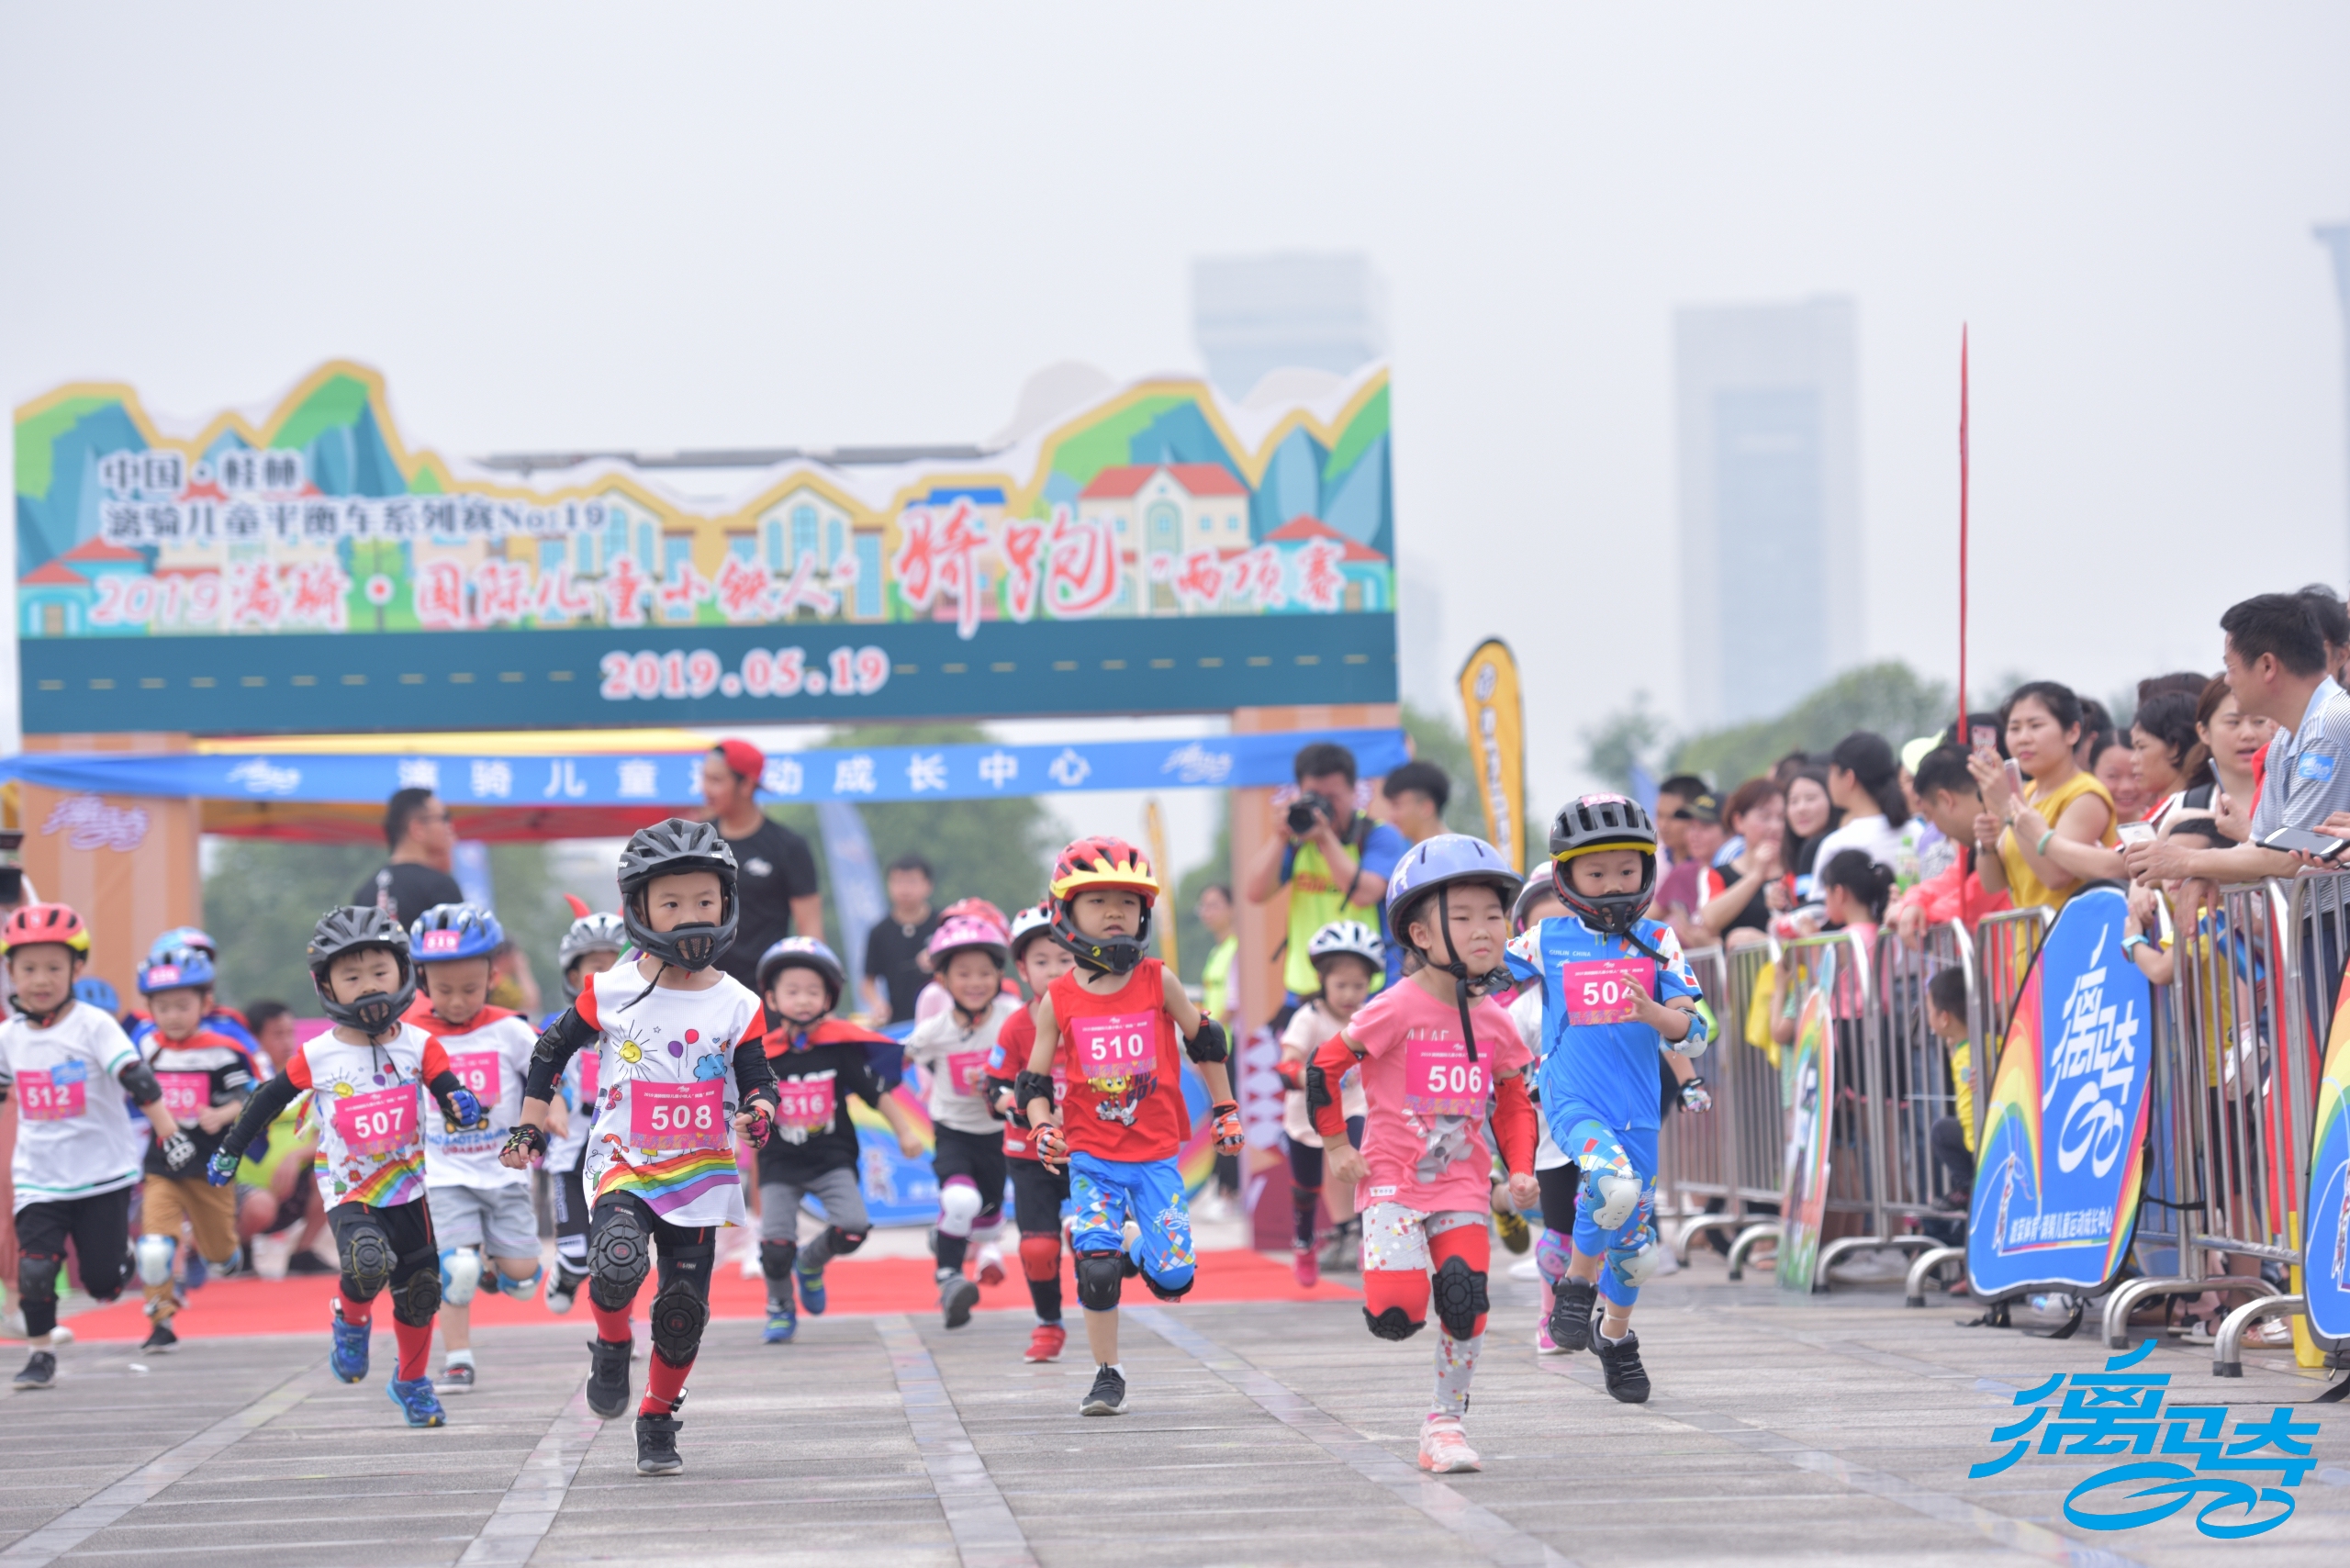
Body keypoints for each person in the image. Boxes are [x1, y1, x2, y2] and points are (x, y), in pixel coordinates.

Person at [498, 820, 782, 1477]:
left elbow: (759, 1077)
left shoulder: (739, 1003)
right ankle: (611, 1341)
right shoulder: (610, 990)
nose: (691, 916)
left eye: (704, 900)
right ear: (639, 909)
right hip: (621, 1163)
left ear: (727, 901)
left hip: (700, 1176)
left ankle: (656, 1418)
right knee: (618, 1261)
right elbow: (550, 1051)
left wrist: (760, 1111)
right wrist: (529, 1127)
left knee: (682, 1313)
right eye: (672, 903)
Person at [1306, 834, 1537, 1475]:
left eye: (1492, 914)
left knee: (1466, 1301)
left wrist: (1520, 1167)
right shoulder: (1394, 1007)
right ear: (1420, 934)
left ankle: (1445, 1425)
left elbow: (1514, 1100)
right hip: (1392, 1183)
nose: (1483, 929)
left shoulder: (1496, 1019)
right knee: (1397, 1314)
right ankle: (1397, 1296)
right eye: (1462, 917)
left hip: (1461, 1184)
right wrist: (1336, 1144)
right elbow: (1324, 1068)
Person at [206, 908, 488, 1428]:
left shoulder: (419, 1044)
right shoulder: (318, 1054)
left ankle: (412, 1382)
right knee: (366, 1263)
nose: (368, 986)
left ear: (403, 972)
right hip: (349, 1189)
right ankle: (352, 1322)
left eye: (379, 972)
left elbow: (448, 1088)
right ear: (327, 986)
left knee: (421, 1293)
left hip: (409, 1192)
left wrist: (463, 1105)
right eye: (351, 977)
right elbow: (267, 1099)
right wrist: (230, 1148)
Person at [1017, 837, 1244, 1417]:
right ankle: (1107, 1375)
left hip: (1155, 1157)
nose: (1114, 911)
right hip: (1091, 1157)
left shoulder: (1157, 980)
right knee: (1097, 1272)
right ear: (1066, 912)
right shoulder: (1058, 998)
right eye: (1098, 900)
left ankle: (1135, 1243)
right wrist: (1042, 1128)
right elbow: (1034, 1083)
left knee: (1174, 1280)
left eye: (1127, 900)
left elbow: (1206, 1041)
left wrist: (1225, 1109)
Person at [1506, 796, 1708, 1405]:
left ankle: (1614, 1336)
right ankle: (1574, 1286)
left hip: (1639, 1110)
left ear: (1647, 870)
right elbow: (1482, 974)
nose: (1613, 884)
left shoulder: (1659, 942)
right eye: (1595, 872)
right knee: (1610, 1184)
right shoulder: (1546, 939)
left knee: (1637, 1250)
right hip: (1572, 1098)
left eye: (1626, 870)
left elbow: (1696, 1033)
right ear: (1566, 876)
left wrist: (1657, 1014)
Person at [2, 904, 192, 1389]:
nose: (40, 980)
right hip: (39, 1178)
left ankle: (119, 1258)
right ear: (11, 973)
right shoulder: (8, 1037)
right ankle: (41, 1354)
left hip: (103, 1174)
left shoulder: (93, 1024)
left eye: (53, 968)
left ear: (76, 968)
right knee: (35, 1270)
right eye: (28, 969)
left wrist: (170, 1133)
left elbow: (138, 1079)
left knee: (104, 1283)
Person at [752, 937, 921, 1345]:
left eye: (813, 992)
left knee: (853, 1228)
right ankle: (780, 1306)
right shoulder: (761, 1054)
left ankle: (811, 1263)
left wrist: (905, 1131)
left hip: (831, 1159)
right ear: (772, 998)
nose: (803, 1000)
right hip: (779, 1163)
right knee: (775, 1245)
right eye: (793, 991)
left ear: (829, 998)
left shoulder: (839, 1048)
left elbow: (877, 1092)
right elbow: (738, 1098)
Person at [407, 903, 543, 1393]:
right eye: (444, 990)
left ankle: (499, 1269)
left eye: (470, 988)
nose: (457, 1001)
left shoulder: (509, 1029)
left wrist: (556, 1109)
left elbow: (546, 1076)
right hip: (445, 1176)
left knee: (523, 1279)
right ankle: (458, 1360)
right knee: (456, 1269)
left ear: (492, 975)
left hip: (505, 1171)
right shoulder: (411, 1035)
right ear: (422, 980)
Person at [2132, 595, 2350, 887]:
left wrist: (2186, 860)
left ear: (2268, 666)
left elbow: (2291, 856)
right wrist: (2206, 873)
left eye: (2231, 668)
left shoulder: (2328, 727)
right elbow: (2261, 844)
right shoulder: (2286, 737)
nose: (2227, 681)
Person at [130, 943, 253, 1352]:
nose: (173, 1016)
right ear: (150, 1008)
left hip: (210, 1168)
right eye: (162, 1008)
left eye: (182, 1006)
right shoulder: (147, 1049)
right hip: (161, 1166)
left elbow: (249, 1098)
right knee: (153, 1249)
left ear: (205, 1002)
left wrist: (222, 1114)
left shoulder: (222, 1051)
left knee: (218, 1253)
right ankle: (160, 1320)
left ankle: (225, 1255)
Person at [904, 912, 1021, 1327]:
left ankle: (946, 1235)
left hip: (999, 1135)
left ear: (1000, 976)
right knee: (959, 1202)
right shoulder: (934, 1030)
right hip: (953, 1132)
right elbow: (894, 1062)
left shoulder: (1012, 1015)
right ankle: (949, 1279)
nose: (975, 982)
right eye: (963, 974)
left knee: (986, 1227)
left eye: (985, 973)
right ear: (943, 981)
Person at [983, 905, 1080, 1363]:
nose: (1054, 970)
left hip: (1089, 1150)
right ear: (1022, 970)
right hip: (1029, 1155)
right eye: (1042, 961)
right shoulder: (1016, 1025)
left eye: (1065, 959)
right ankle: (1049, 1323)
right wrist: (1024, 1109)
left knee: (1095, 1238)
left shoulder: (1094, 1018)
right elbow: (994, 1088)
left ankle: (1105, 1293)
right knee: (1039, 1247)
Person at [1244, 742, 1408, 1001]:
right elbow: (1255, 893)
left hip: (1365, 986)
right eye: (1313, 796)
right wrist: (1280, 837)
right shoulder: (1296, 841)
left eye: (1332, 798)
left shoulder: (1377, 835)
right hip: (1306, 985)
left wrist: (1324, 838)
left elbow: (1364, 893)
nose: (1323, 807)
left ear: (1353, 791)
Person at [1277, 921, 1382, 1287]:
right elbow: (1286, 1065)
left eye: (1359, 985)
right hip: (1306, 1116)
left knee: (1364, 1161)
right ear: (1322, 980)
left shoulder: (1368, 1017)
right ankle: (1304, 1242)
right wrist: (1310, 1077)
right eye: (1341, 985)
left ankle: (1367, 1237)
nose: (1350, 994)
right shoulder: (1309, 1018)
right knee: (1305, 1189)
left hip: (1352, 1107)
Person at [543, 912, 628, 1314]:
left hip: (622, 1156)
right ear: (573, 975)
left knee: (620, 1253)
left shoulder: (639, 1028)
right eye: (596, 966)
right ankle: (567, 1270)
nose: (607, 976)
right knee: (579, 1256)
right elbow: (547, 1078)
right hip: (571, 1156)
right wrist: (555, 1107)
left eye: (616, 965)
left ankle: (619, 1326)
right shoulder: (560, 1026)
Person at [1508, 877, 1580, 1354]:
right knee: (1558, 1237)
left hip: (1604, 1136)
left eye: (1566, 925)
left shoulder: (1602, 992)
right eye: (1543, 931)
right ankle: (1550, 1314)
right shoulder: (1523, 1009)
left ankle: (1606, 1319)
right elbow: (1504, 1074)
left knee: (1607, 1233)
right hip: (1551, 1143)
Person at [1972, 681, 2119, 912]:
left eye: (2036, 726)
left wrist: (2009, 807)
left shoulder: (2086, 794)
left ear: (2072, 733)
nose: (2023, 738)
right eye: (2014, 728)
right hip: (2028, 933)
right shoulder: (2026, 793)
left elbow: (2055, 877)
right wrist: (1986, 846)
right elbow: (1994, 884)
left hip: (2069, 930)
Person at [701, 740, 822, 1001]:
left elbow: (810, 927)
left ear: (747, 785)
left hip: (764, 992)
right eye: (705, 778)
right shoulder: (697, 842)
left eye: (716, 780)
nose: (706, 789)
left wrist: (814, 986)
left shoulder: (788, 846)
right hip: (704, 989)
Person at [235, 998, 335, 1275]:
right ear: (254, 1039)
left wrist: (296, 1155)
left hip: (293, 1191)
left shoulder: (307, 1082)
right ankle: (240, 1253)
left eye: (290, 1032)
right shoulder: (239, 1084)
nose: (288, 1042)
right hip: (247, 1195)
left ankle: (302, 1253)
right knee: (260, 1206)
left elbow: (326, 1137)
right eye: (277, 1034)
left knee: (336, 1173)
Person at [1891, 747, 2010, 937]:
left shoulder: (2010, 829)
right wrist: (1911, 901)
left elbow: (1967, 903)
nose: (1934, 828)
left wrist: (1908, 913)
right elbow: (1945, 882)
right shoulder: (1973, 847)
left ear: (1946, 800)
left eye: (1929, 814)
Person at [1193, 882, 1243, 1217]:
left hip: (1229, 1047)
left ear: (1232, 908)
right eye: (1204, 906)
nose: (1206, 912)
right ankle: (1224, 1189)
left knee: (1229, 1115)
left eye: (1214, 904)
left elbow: (1232, 1006)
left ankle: (1230, 1193)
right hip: (1214, 1048)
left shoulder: (1239, 949)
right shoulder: (1217, 952)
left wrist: (1205, 1038)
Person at [1812, 733, 1919, 886]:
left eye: (1832, 771)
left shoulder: (1836, 846)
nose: (1828, 779)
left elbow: (1820, 900)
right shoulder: (1917, 831)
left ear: (1849, 778)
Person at [354, 789, 464, 931]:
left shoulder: (365, 892)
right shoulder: (440, 887)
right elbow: (459, 941)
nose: (450, 827)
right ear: (417, 829)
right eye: (444, 818)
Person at [1699, 780, 1784, 946]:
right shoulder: (1718, 874)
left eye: (1782, 818)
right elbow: (1710, 919)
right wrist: (1756, 875)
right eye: (1765, 817)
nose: (1775, 826)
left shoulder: (1794, 869)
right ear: (1738, 821)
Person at [862, 854, 940, 1024]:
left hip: (940, 1017)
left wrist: (938, 960)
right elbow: (868, 982)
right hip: (898, 1021)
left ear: (928, 885)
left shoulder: (942, 925)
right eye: (898, 882)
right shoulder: (879, 931)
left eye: (912, 882)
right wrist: (878, 1004)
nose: (904, 889)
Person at [1922, 967, 1975, 1212]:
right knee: (1943, 1130)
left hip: (1981, 1136)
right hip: (1972, 1133)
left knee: (1940, 1132)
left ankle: (1969, 1189)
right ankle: (1967, 1188)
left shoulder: (1979, 1050)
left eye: (1929, 1012)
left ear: (1944, 1018)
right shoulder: (1965, 1046)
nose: (1928, 1018)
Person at [1652, 790, 1727, 951]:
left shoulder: (1738, 877)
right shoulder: (1682, 874)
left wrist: (1712, 946)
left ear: (1730, 830)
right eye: (1692, 827)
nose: (1694, 835)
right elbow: (1642, 923)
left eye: (1705, 827)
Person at [1777, 767, 1841, 907]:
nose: (1801, 808)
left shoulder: (1838, 847)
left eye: (1810, 799)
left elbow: (1808, 908)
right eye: (1793, 801)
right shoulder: (1791, 858)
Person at [1381, 759, 1452, 846]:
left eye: (1397, 805)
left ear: (1426, 808)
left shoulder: (1457, 850)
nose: (1391, 816)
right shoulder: (1408, 852)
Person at [1651, 775, 1710, 869]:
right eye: (1659, 815)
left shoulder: (1710, 865)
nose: (1663, 825)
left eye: (1673, 817)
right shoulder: (1652, 860)